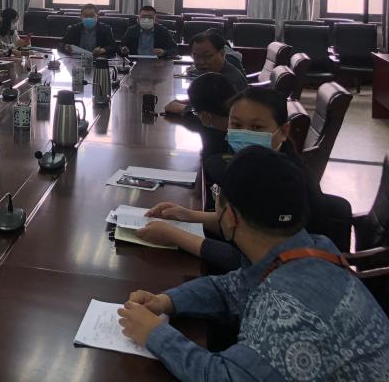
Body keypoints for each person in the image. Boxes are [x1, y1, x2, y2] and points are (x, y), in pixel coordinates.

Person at [118, 146, 389, 380]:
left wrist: (155, 334)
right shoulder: (313, 247)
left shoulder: (290, 315)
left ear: (230, 217)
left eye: (217, 196)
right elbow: (231, 288)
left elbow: (226, 376)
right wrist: (166, 301)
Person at [135, 88, 350, 272]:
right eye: (236, 125)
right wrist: (187, 215)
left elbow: (252, 261)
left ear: (284, 131)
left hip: (288, 278)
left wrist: (176, 236)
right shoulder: (257, 165)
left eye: (257, 128)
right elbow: (244, 223)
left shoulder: (283, 180)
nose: (244, 134)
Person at [165, 30, 246, 114]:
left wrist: (185, 109)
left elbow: (222, 116)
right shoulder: (211, 75)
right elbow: (210, 102)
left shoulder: (230, 80)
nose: (201, 62)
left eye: (207, 56)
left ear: (222, 54)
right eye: (196, 56)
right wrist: (190, 102)